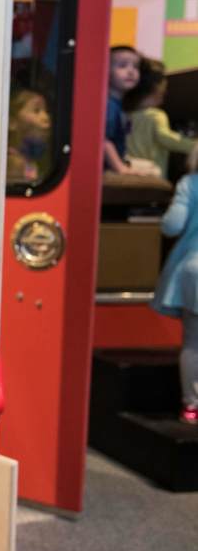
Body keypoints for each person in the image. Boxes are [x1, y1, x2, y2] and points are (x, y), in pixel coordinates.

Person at [151, 143, 198, 425]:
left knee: (193, 342)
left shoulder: (190, 183)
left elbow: (173, 225)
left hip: (194, 269)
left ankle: (192, 406)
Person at [125, 57, 196, 179]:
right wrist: (194, 145)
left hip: (131, 173)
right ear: (157, 90)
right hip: (153, 176)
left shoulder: (126, 115)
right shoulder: (156, 115)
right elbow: (167, 139)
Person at [103, 45, 142, 173]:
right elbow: (104, 141)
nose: (131, 71)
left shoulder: (118, 104)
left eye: (135, 67)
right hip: (107, 168)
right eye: (122, 66)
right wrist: (120, 168)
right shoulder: (109, 105)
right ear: (106, 70)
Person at [6, 88, 51, 183]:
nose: (46, 117)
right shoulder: (15, 163)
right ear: (12, 121)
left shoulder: (27, 160)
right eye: (36, 110)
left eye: (46, 111)